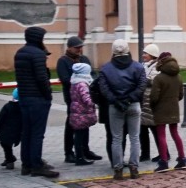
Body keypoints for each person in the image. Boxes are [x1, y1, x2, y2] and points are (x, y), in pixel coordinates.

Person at [97, 39, 148, 180]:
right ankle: (134, 167)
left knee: (116, 138)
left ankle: (118, 169)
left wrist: (115, 100)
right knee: (135, 137)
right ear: (128, 50)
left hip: (115, 106)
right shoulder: (137, 67)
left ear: (113, 51)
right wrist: (131, 98)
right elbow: (142, 85)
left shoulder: (106, 68)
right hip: (133, 104)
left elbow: (104, 89)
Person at [13, 26, 57, 178]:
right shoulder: (37, 54)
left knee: (27, 132)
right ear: (38, 39)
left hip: (24, 97)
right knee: (38, 134)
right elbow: (41, 78)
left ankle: (27, 165)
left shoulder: (20, 53)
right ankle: (37, 165)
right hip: (38, 99)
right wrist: (48, 95)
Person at [57, 35, 98, 163]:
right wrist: (79, 81)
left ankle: (85, 150)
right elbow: (64, 79)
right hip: (72, 97)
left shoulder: (84, 59)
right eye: (76, 48)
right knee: (71, 124)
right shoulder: (63, 61)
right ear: (69, 48)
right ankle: (68, 152)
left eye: (80, 47)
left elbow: (92, 74)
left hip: (86, 95)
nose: (79, 50)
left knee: (85, 123)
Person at [149, 51, 186, 172]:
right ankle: (182, 158)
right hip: (174, 108)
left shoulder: (159, 78)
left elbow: (154, 97)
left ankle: (164, 161)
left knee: (161, 135)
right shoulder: (178, 76)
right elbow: (181, 95)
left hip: (160, 109)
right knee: (175, 133)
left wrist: (152, 105)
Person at [66, 63, 99, 167]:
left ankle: (80, 156)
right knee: (80, 136)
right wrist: (95, 103)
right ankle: (80, 157)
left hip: (77, 112)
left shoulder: (74, 82)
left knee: (79, 134)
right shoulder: (82, 84)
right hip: (82, 113)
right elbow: (86, 98)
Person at [138, 44, 161, 163]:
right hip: (143, 102)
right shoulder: (144, 66)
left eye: (145, 53)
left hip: (150, 103)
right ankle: (145, 153)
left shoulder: (157, 67)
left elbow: (153, 81)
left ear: (152, 54)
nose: (143, 55)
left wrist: (141, 79)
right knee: (142, 130)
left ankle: (164, 153)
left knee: (155, 130)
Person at [0, 89, 22, 169]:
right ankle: (9, 159)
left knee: (5, 144)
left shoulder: (8, 106)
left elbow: (0, 117)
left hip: (7, 130)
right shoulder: (23, 107)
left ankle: (10, 159)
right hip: (18, 130)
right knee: (7, 145)